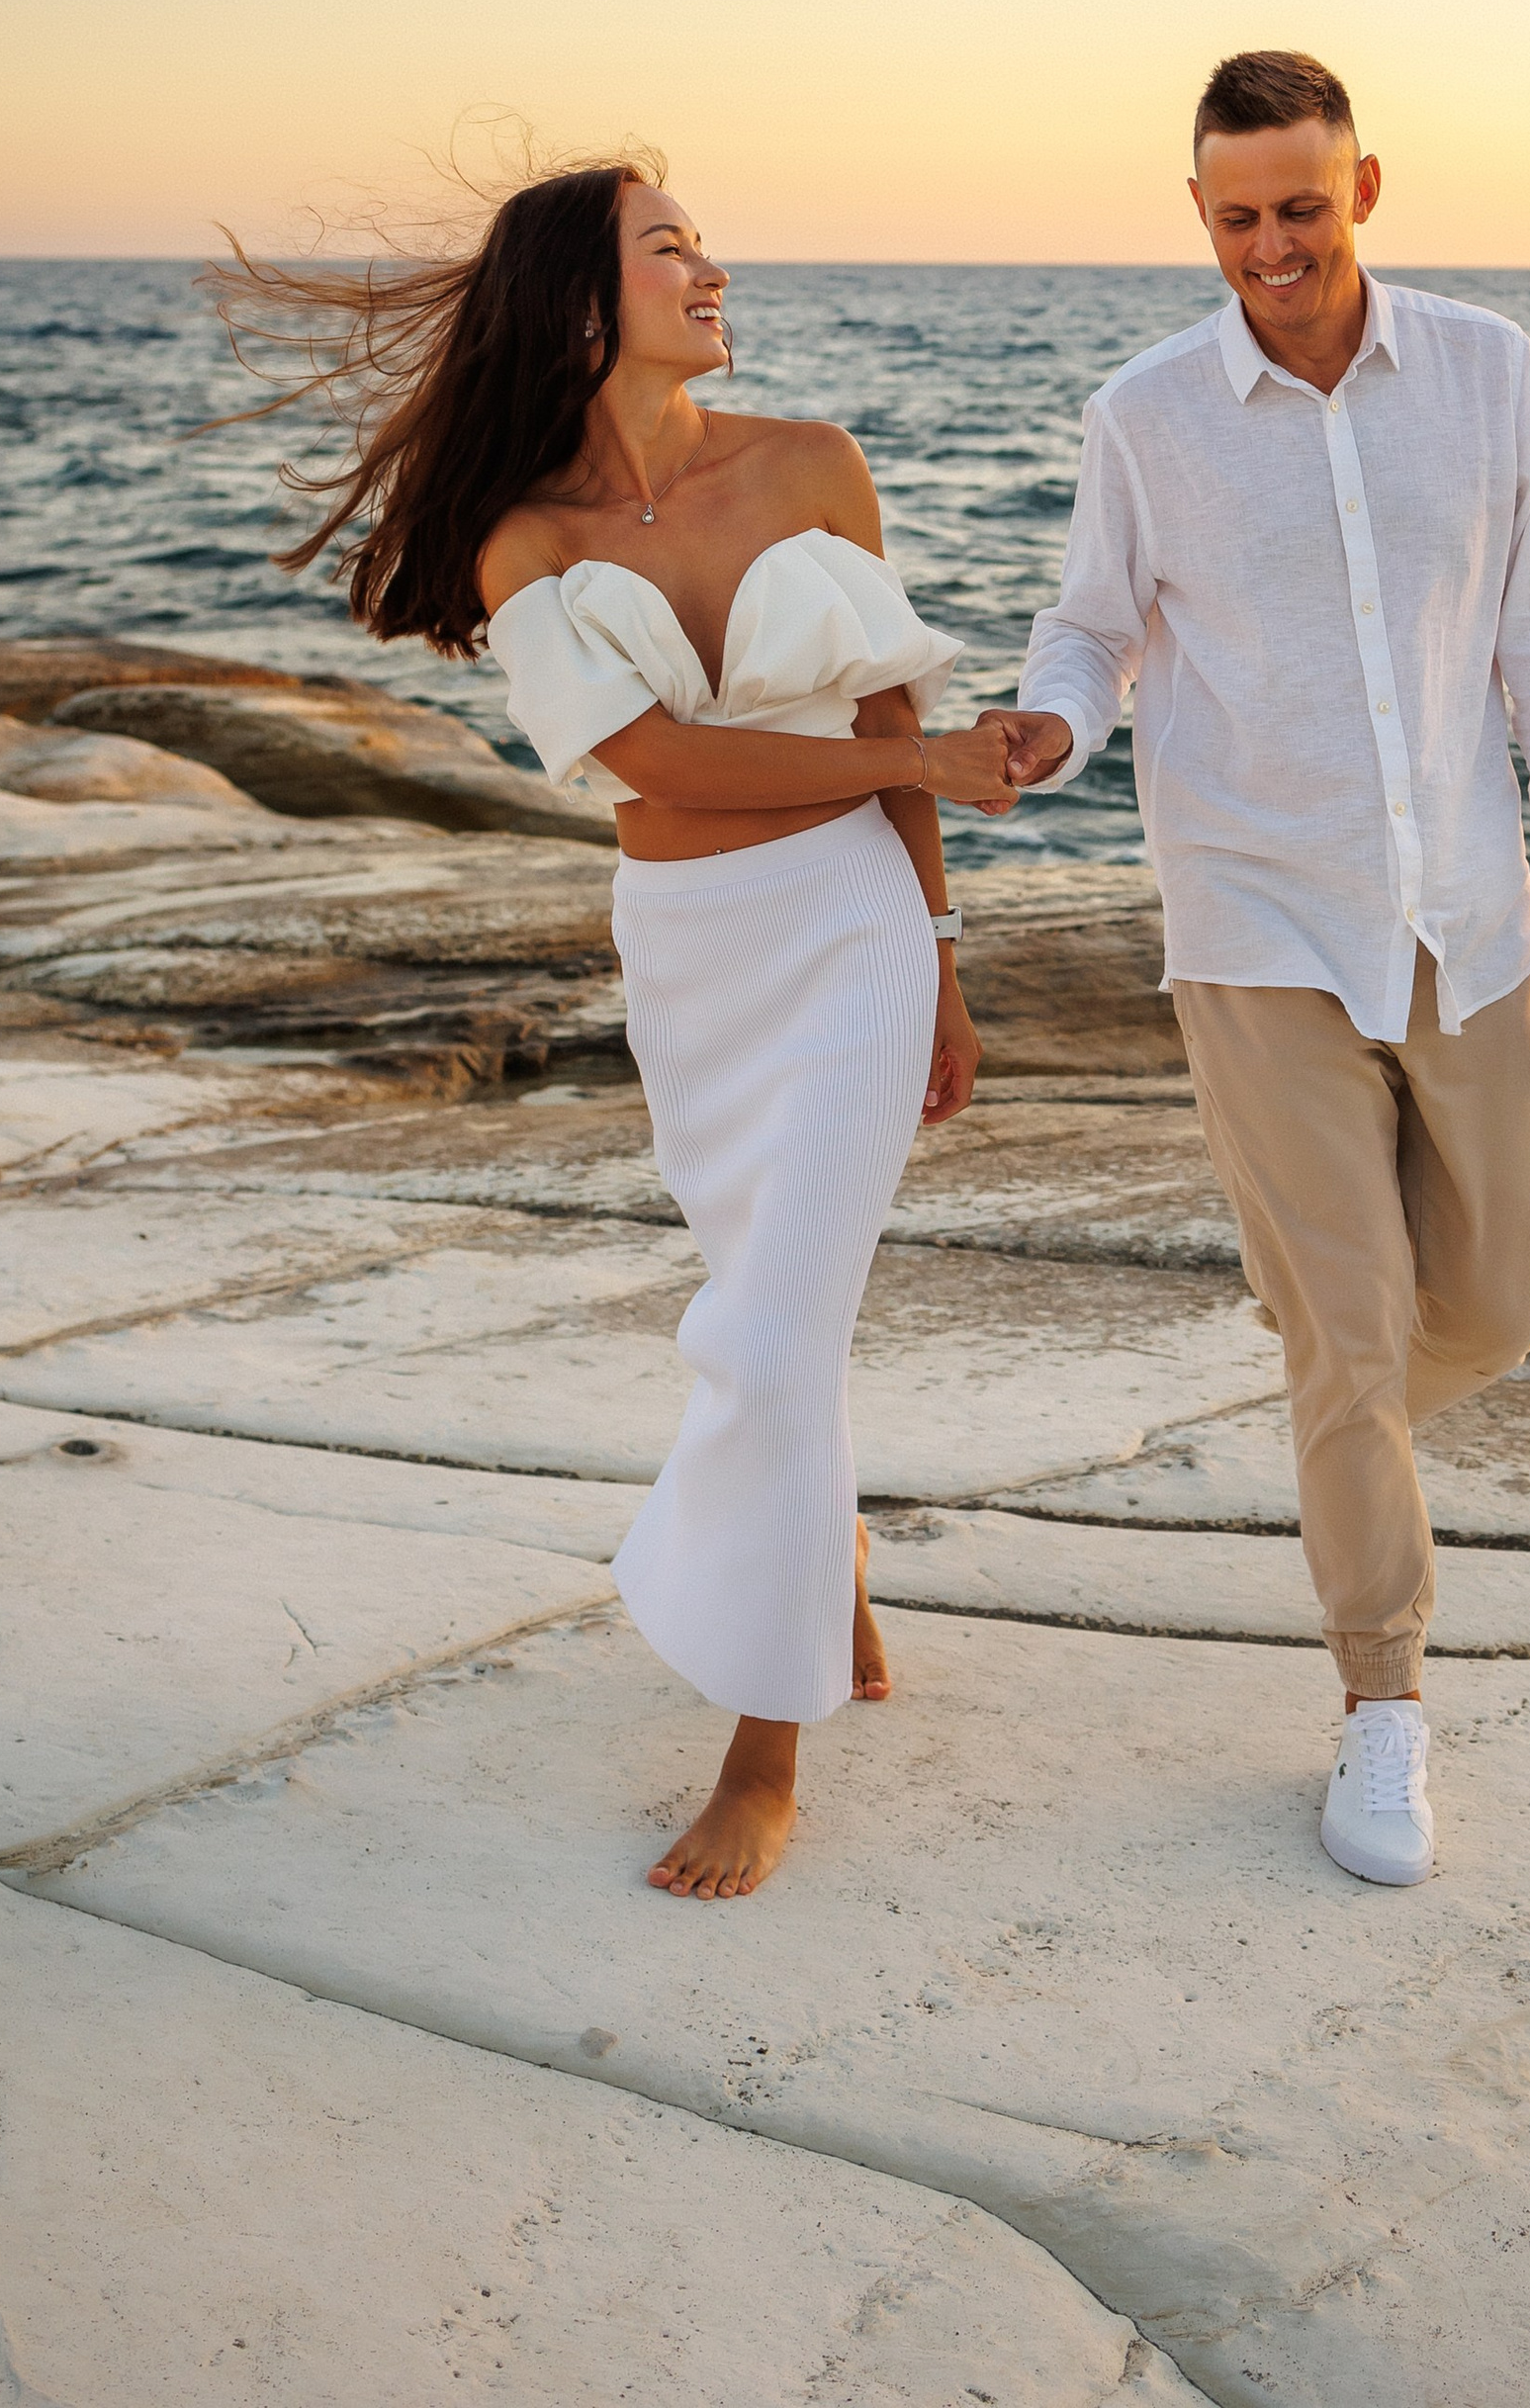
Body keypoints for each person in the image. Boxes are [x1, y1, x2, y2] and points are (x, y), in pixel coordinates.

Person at [210, 153, 1017, 1901]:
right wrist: (915, 756)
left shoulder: (814, 463)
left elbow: (887, 707)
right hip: (696, 955)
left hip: (856, 927)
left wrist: (942, 950)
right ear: (586, 305)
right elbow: (659, 764)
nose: (712, 269)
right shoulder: (528, 538)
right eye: (672, 249)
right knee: (767, 1312)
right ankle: (836, 1579)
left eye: (702, 244)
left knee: (774, 1337)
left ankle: (763, 1740)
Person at [995, 51, 1530, 1888]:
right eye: (1235, 218)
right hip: (1253, 922)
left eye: (1300, 206)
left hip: (1467, 913)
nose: (1270, 248)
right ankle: (1383, 1703)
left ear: (1365, 186)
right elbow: (1091, 628)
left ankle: (1331, 1423)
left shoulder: (1486, 371)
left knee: (1500, 1311)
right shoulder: (1146, 414)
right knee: (1351, 1337)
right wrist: (1049, 732)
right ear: (1195, 216)